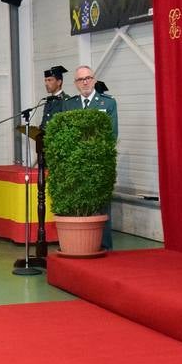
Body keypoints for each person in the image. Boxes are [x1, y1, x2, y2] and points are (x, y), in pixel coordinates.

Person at [65, 65, 119, 249]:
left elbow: (111, 134)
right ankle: (80, 246)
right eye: (81, 79)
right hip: (76, 164)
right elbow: (66, 134)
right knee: (78, 204)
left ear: (94, 80)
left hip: (99, 163)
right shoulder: (69, 104)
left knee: (101, 206)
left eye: (88, 78)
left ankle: (104, 247)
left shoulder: (108, 103)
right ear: (75, 84)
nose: (85, 82)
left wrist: (89, 149)